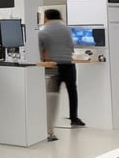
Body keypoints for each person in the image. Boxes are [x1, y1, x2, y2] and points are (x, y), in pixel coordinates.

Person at [39, 9, 85, 141]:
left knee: (52, 96)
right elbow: (71, 47)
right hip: (69, 64)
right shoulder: (66, 29)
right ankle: (74, 118)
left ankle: (49, 128)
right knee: (72, 91)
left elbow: (40, 49)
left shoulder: (43, 31)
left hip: (53, 66)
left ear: (46, 17)